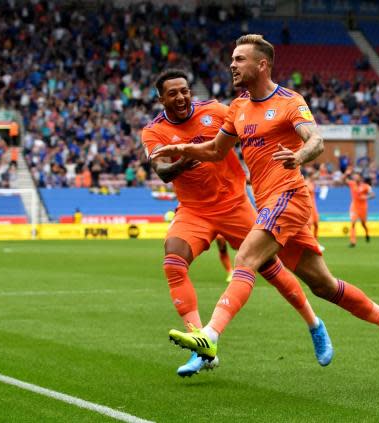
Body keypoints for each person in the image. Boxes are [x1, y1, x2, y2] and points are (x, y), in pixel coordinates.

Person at [153, 35, 379, 369]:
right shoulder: (238, 107)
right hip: (267, 203)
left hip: (289, 196)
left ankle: (210, 337)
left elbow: (316, 140)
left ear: (262, 64)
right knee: (323, 285)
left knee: (245, 258)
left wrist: (299, 155)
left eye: (239, 59)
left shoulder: (290, 101)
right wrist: (183, 149)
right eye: (232, 59)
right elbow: (217, 150)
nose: (232, 64)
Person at [142, 69, 333, 377]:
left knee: (271, 268)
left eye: (184, 90)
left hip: (234, 205)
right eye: (173, 93)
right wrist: (185, 160)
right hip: (193, 211)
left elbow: (249, 132)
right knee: (173, 263)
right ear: (160, 98)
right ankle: (200, 345)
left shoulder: (216, 111)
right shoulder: (154, 131)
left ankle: (314, 324)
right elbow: (162, 171)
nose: (180, 97)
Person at [344, 170, 374, 247]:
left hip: (363, 208)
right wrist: (346, 173)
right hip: (354, 207)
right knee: (353, 223)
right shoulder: (352, 184)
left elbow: (373, 195)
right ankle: (353, 241)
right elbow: (344, 180)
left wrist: (366, 196)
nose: (355, 177)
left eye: (356, 175)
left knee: (363, 224)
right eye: (354, 175)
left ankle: (367, 233)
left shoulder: (366, 186)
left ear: (360, 177)